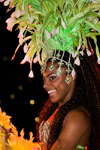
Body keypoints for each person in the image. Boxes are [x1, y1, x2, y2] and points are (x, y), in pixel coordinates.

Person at [0, 0, 100, 150]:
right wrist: (8, 144)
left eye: (52, 77)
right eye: (45, 78)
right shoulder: (60, 110)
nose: (45, 85)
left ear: (71, 75)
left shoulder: (77, 117)